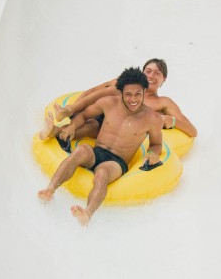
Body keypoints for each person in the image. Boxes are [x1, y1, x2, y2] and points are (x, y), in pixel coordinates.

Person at [37, 67, 163, 226]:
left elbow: (156, 144)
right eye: (128, 94)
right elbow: (84, 115)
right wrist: (72, 127)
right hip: (97, 151)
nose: (133, 99)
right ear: (121, 92)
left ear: (144, 91)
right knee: (81, 150)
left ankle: (87, 213)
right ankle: (50, 189)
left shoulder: (152, 119)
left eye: (138, 94)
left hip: (116, 162)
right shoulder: (108, 103)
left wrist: (152, 153)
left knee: (102, 173)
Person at [39, 59, 197, 143]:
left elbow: (192, 130)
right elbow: (92, 92)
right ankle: (67, 112)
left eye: (157, 73)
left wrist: (172, 120)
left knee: (95, 126)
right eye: (148, 71)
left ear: (164, 79)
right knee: (116, 88)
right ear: (142, 73)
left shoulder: (163, 102)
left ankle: (55, 131)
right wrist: (73, 111)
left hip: (114, 129)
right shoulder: (124, 83)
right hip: (98, 111)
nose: (151, 76)